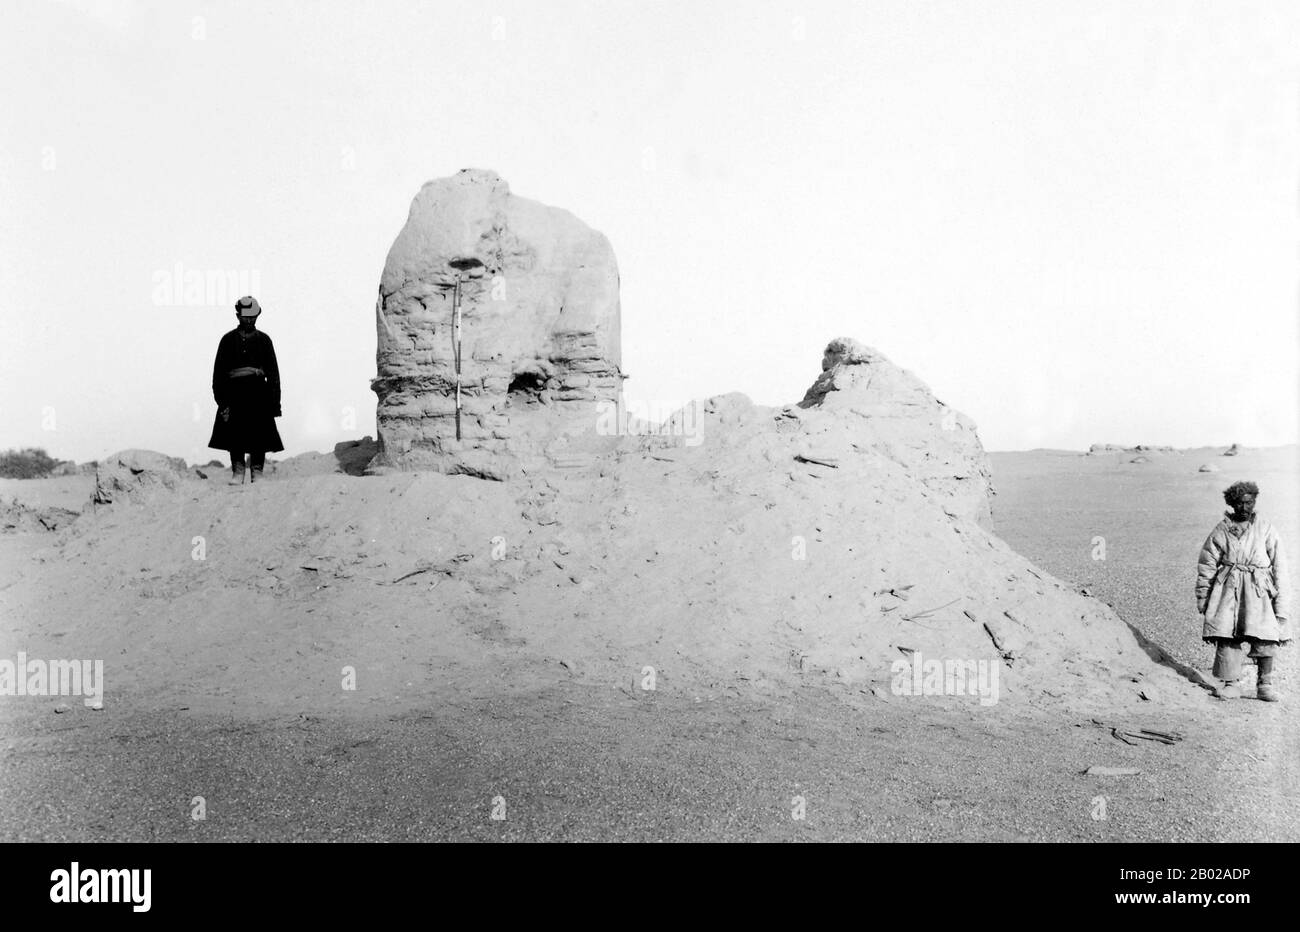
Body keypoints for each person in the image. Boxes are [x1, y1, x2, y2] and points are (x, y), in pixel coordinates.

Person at [1195, 481, 1291, 701]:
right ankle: (1231, 683)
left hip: (1259, 591)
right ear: (1231, 503)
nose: (1244, 507)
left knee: (1266, 636)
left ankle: (1264, 684)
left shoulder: (1266, 528)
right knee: (1228, 636)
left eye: (1249, 502)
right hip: (1228, 590)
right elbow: (1207, 564)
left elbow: (1280, 566)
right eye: (1239, 502)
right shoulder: (1221, 529)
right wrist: (1204, 597)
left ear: (1254, 502)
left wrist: (1282, 604)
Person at [207, 296, 284, 484]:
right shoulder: (227, 340)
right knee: (235, 433)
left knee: (260, 433)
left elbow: (273, 374)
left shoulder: (264, 340)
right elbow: (218, 374)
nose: (249, 320)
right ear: (237, 315)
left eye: (252, 317)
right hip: (234, 394)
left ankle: (257, 471)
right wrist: (222, 400)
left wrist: (275, 403)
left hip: (259, 393)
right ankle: (238, 471)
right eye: (245, 316)